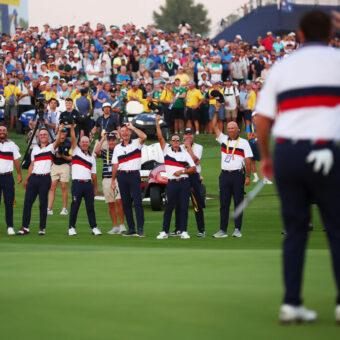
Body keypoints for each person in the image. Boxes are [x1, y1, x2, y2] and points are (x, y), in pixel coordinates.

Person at [256, 10, 340, 323]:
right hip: (325, 151)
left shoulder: (282, 65)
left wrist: (266, 156)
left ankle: (291, 303)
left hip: (288, 153)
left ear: (299, 35)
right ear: (330, 34)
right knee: (336, 229)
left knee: (294, 231)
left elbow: (262, 120)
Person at [211, 112, 252, 238]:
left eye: (232, 128)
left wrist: (248, 176)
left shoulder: (244, 142)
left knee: (238, 203)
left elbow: (248, 160)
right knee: (224, 203)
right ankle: (222, 230)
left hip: (238, 175)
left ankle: (237, 229)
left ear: (238, 129)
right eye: (228, 128)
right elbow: (214, 126)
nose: (230, 130)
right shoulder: (223, 139)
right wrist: (216, 111)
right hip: (224, 175)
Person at [17, 125, 63, 235]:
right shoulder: (35, 149)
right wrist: (27, 179)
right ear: (38, 136)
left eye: (45, 134)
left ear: (48, 137)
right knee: (27, 202)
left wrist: (60, 131)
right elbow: (32, 165)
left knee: (43, 204)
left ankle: (42, 228)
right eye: (41, 134)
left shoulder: (52, 147)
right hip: (33, 178)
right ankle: (25, 227)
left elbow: (57, 142)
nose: (43, 136)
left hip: (45, 178)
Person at [155, 116, 196, 239]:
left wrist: (182, 171)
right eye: (174, 140)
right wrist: (157, 123)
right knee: (168, 207)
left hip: (183, 182)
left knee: (184, 207)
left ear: (180, 142)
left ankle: (183, 231)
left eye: (178, 140)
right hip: (172, 183)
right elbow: (160, 137)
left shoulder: (185, 154)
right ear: (171, 142)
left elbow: (193, 168)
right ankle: (164, 231)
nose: (176, 141)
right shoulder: (167, 150)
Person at [111, 122, 147, 237]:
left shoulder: (137, 142)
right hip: (122, 176)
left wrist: (132, 127)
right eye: (123, 131)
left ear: (130, 132)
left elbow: (144, 136)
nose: (125, 133)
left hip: (134, 175)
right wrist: (113, 180)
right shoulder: (117, 148)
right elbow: (115, 165)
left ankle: (140, 228)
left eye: (127, 131)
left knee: (137, 203)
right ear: (120, 133)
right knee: (126, 203)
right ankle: (131, 228)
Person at [68, 124, 102, 236]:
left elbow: (94, 174)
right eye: (83, 142)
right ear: (79, 143)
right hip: (77, 184)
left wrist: (95, 187)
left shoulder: (92, 158)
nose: (85, 143)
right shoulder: (76, 151)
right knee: (75, 206)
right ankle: (71, 228)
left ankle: (94, 227)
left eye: (87, 142)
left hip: (88, 185)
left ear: (89, 143)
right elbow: (73, 139)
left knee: (90, 207)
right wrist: (72, 128)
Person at [171, 128, 206, 237]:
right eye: (187, 135)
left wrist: (189, 148)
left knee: (196, 203)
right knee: (179, 203)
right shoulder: (179, 147)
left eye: (191, 134)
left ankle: (201, 230)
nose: (189, 136)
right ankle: (178, 229)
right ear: (184, 136)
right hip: (182, 175)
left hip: (193, 177)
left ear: (193, 136)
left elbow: (195, 161)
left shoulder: (198, 147)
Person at [94, 132, 126, 234]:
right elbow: (96, 151)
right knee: (111, 204)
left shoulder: (120, 150)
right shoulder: (105, 151)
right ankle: (115, 226)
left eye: (113, 140)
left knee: (119, 201)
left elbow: (126, 147)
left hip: (117, 178)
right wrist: (103, 138)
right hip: (106, 179)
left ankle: (122, 225)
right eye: (110, 140)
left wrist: (120, 137)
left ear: (115, 141)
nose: (111, 142)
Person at [0, 124, 22, 235]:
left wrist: (19, 174)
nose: (2, 132)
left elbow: (17, 160)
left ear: (7, 132)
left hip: (8, 177)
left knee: (9, 203)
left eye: (4, 130)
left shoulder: (12, 145)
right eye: (0, 130)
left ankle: (10, 226)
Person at [47, 127, 71, 216]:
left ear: (66, 133)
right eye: (61, 131)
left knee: (64, 186)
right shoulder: (54, 142)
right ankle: (49, 208)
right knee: (52, 186)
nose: (62, 133)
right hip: (55, 165)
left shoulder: (69, 143)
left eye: (64, 132)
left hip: (65, 165)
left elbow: (71, 158)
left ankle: (64, 208)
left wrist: (63, 156)